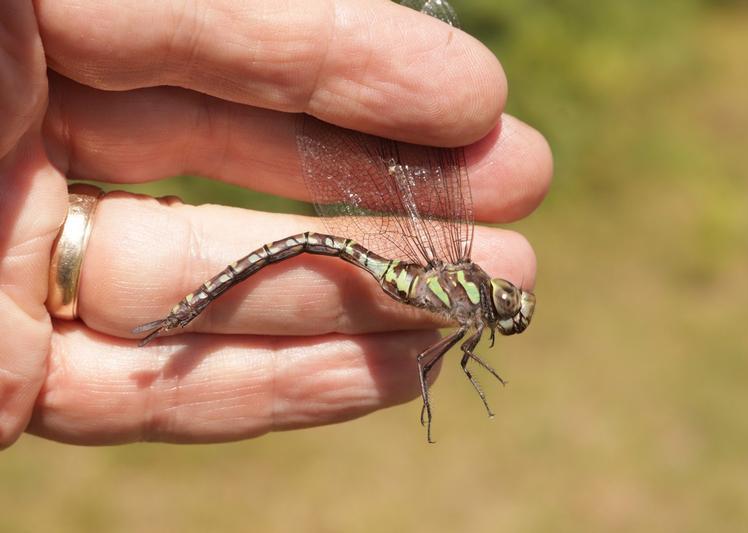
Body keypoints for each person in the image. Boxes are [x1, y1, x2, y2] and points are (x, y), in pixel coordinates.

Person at [0, 0, 551, 447]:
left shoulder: (467, 311)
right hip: (349, 252)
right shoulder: (466, 299)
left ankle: (176, 316)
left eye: (508, 306)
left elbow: (454, 347)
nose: (505, 306)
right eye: (508, 304)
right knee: (307, 245)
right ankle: (182, 312)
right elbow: (451, 349)